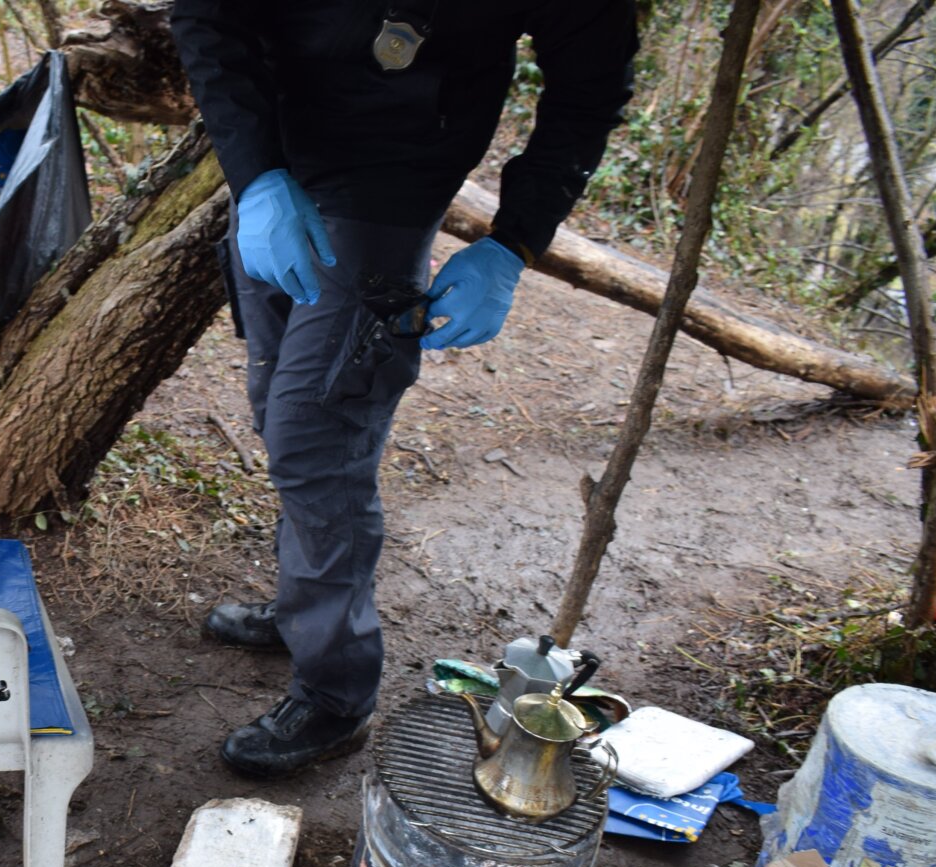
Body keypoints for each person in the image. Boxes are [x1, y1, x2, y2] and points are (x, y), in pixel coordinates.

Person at [171, 1, 638, 779]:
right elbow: (209, 14)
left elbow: (590, 83)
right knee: (279, 412)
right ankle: (303, 608)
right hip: (278, 164)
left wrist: (515, 241)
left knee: (320, 438)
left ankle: (335, 690)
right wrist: (254, 176)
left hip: (391, 186)